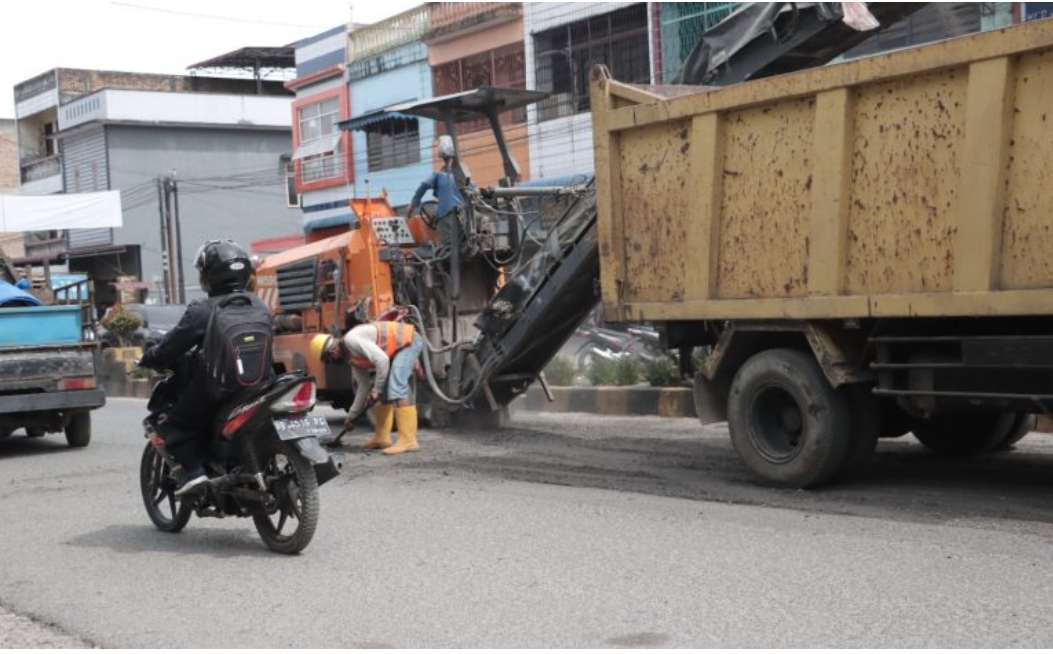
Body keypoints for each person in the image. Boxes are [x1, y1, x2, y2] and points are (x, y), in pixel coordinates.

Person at [139, 239, 267, 495]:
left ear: (210, 275)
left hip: (217, 389)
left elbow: (171, 347)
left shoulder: (203, 311)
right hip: (259, 385)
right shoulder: (259, 305)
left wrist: (149, 357)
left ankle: (195, 475)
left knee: (174, 426)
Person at [311, 319, 425, 455]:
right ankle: (382, 438)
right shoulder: (351, 357)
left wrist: (376, 390)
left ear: (333, 350)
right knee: (385, 394)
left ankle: (408, 440)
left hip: (408, 341)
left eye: (329, 359)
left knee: (397, 385)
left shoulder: (352, 341)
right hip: (397, 348)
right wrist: (352, 416)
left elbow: (382, 360)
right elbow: (363, 386)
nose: (331, 362)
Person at [406, 135, 464, 253]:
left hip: (447, 219)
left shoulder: (438, 176)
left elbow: (422, 187)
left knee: (447, 249)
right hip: (464, 218)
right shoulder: (462, 176)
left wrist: (412, 206)